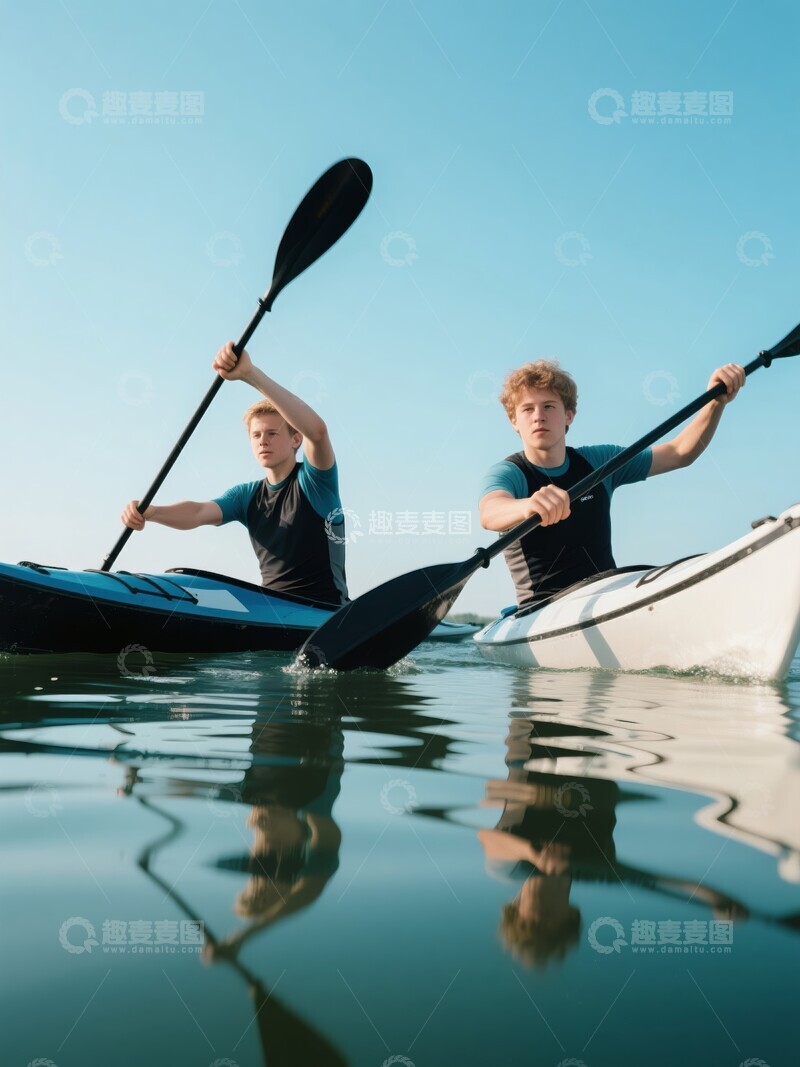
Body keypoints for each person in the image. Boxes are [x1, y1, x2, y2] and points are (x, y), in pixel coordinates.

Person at [479, 358, 745, 606]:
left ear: (569, 415)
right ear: (514, 421)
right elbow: (490, 512)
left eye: (549, 406)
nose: (539, 416)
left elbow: (679, 453)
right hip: (542, 608)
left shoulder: (599, 461)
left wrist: (716, 402)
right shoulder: (509, 472)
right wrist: (528, 506)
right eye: (527, 409)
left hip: (608, 594)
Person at [121, 342, 348, 605]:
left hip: (325, 612)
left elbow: (317, 432)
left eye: (272, 433)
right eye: (256, 435)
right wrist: (151, 512)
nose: (263, 441)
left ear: (295, 439)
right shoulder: (246, 496)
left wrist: (250, 374)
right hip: (269, 609)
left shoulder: (315, 482)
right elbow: (198, 512)